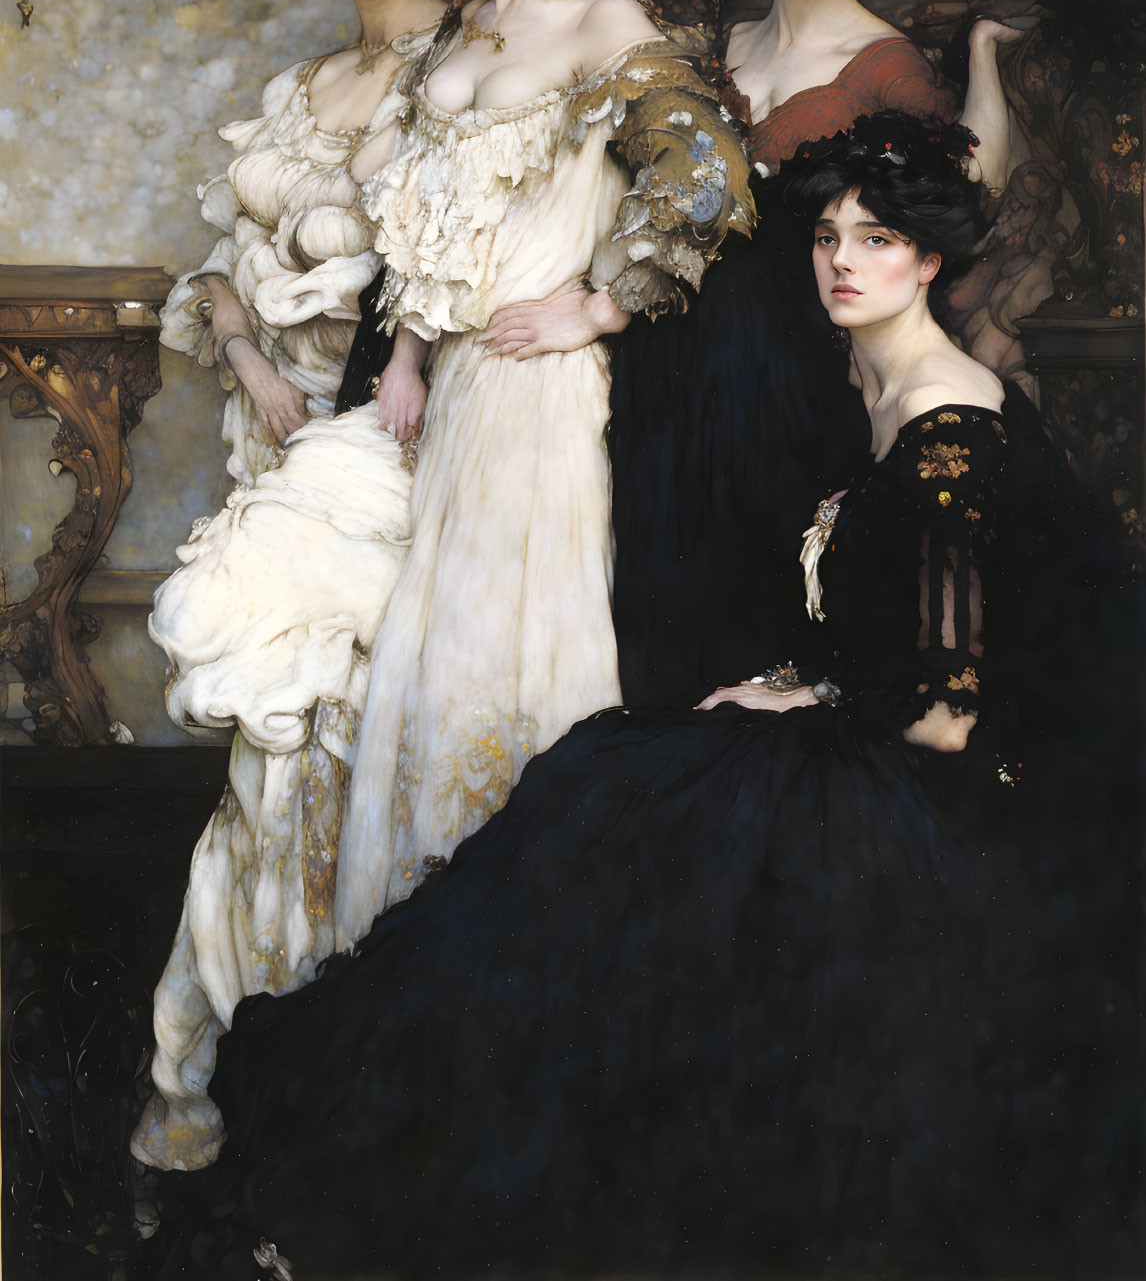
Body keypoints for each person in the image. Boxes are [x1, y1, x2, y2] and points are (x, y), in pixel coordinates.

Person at [151, 113, 1134, 1279]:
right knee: (604, 799)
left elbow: (947, 710)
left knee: (639, 841)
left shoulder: (946, 423)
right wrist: (793, 682)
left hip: (954, 797)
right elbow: (884, 636)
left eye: (876, 242)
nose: (842, 263)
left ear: (929, 262)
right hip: (868, 729)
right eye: (826, 238)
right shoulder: (881, 389)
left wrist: (802, 708)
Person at [328, 0, 752, 951]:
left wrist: (600, 303)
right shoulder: (459, 28)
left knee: (503, 675)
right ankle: (408, 989)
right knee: (422, 672)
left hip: (538, 404)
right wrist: (405, 351)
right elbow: (421, 219)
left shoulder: (609, 26)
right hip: (447, 398)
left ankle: (521, 973)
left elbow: (710, 181)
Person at [132, 0, 455, 1172]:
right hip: (277, 439)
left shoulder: (469, 70)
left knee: (346, 747)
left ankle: (332, 1060)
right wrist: (241, 346)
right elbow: (216, 273)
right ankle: (219, 1056)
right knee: (266, 756)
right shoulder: (305, 89)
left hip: (394, 443)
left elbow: (476, 262)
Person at [610, 0, 1018, 706]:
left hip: (792, 384)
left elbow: (962, 197)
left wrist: (985, 58)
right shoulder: (725, 52)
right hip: (675, 367)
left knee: (753, 627)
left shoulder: (885, 64)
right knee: (662, 613)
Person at [159, 0, 452, 485]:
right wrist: (246, 358)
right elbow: (226, 265)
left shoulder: (463, 60)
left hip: (398, 414)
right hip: (276, 420)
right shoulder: (295, 88)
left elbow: (456, 245)